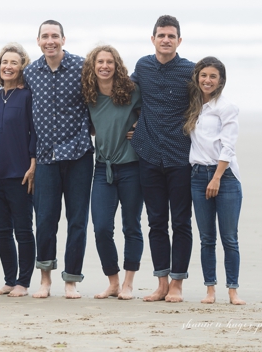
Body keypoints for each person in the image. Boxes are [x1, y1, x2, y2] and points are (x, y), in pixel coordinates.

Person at [23, 20, 95, 299]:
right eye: (45, 36)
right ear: (38, 41)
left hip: (79, 155)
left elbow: (96, 100)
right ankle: (45, 280)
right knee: (45, 219)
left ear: (63, 39)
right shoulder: (30, 72)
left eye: (55, 36)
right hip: (45, 157)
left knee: (77, 220)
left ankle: (71, 280)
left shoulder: (81, 66)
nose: (50, 41)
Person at [132, 15, 197, 303]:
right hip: (148, 155)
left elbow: (205, 104)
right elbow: (125, 94)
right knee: (156, 222)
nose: (166, 40)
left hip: (181, 157)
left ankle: (177, 284)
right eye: (161, 35)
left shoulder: (191, 70)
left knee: (181, 222)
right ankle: (160, 283)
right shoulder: (143, 66)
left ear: (179, 40)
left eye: (171, 36)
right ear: (153, 38)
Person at [82, 44, 144, 300]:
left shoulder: (131, 91)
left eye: (110, 62)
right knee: (102, 228)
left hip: (131, 168)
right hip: (102, 169)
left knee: (132, 226)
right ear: (93, 66)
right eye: (100, 62)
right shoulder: (89, 95)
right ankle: (113, 281)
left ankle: (129, 283)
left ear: (117, 66)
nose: (105, 66)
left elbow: (152, 113)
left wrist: (140, 125)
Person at [186, 57, 245, 305]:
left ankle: (233, 290)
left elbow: (228, 147)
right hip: (199, 176)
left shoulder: (226, 107)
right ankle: (210, 290)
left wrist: (217, 178)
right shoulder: (193, 106)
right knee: (206, 238)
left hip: (225, 178)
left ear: (220, 80)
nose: (207, 80)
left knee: (229, 238)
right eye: (203, 75)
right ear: (197, 77)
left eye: (213, 76)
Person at [0, 43, 37, 297]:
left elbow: (35, 131)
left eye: (14, 63)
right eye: (5, 62)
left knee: (23, 229)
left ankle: (23, 282)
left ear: (22, 68)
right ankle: (9, 279)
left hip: (20, 173)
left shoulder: (27, 96)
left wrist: (33, 162)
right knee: (2, 230)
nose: (8, 66)